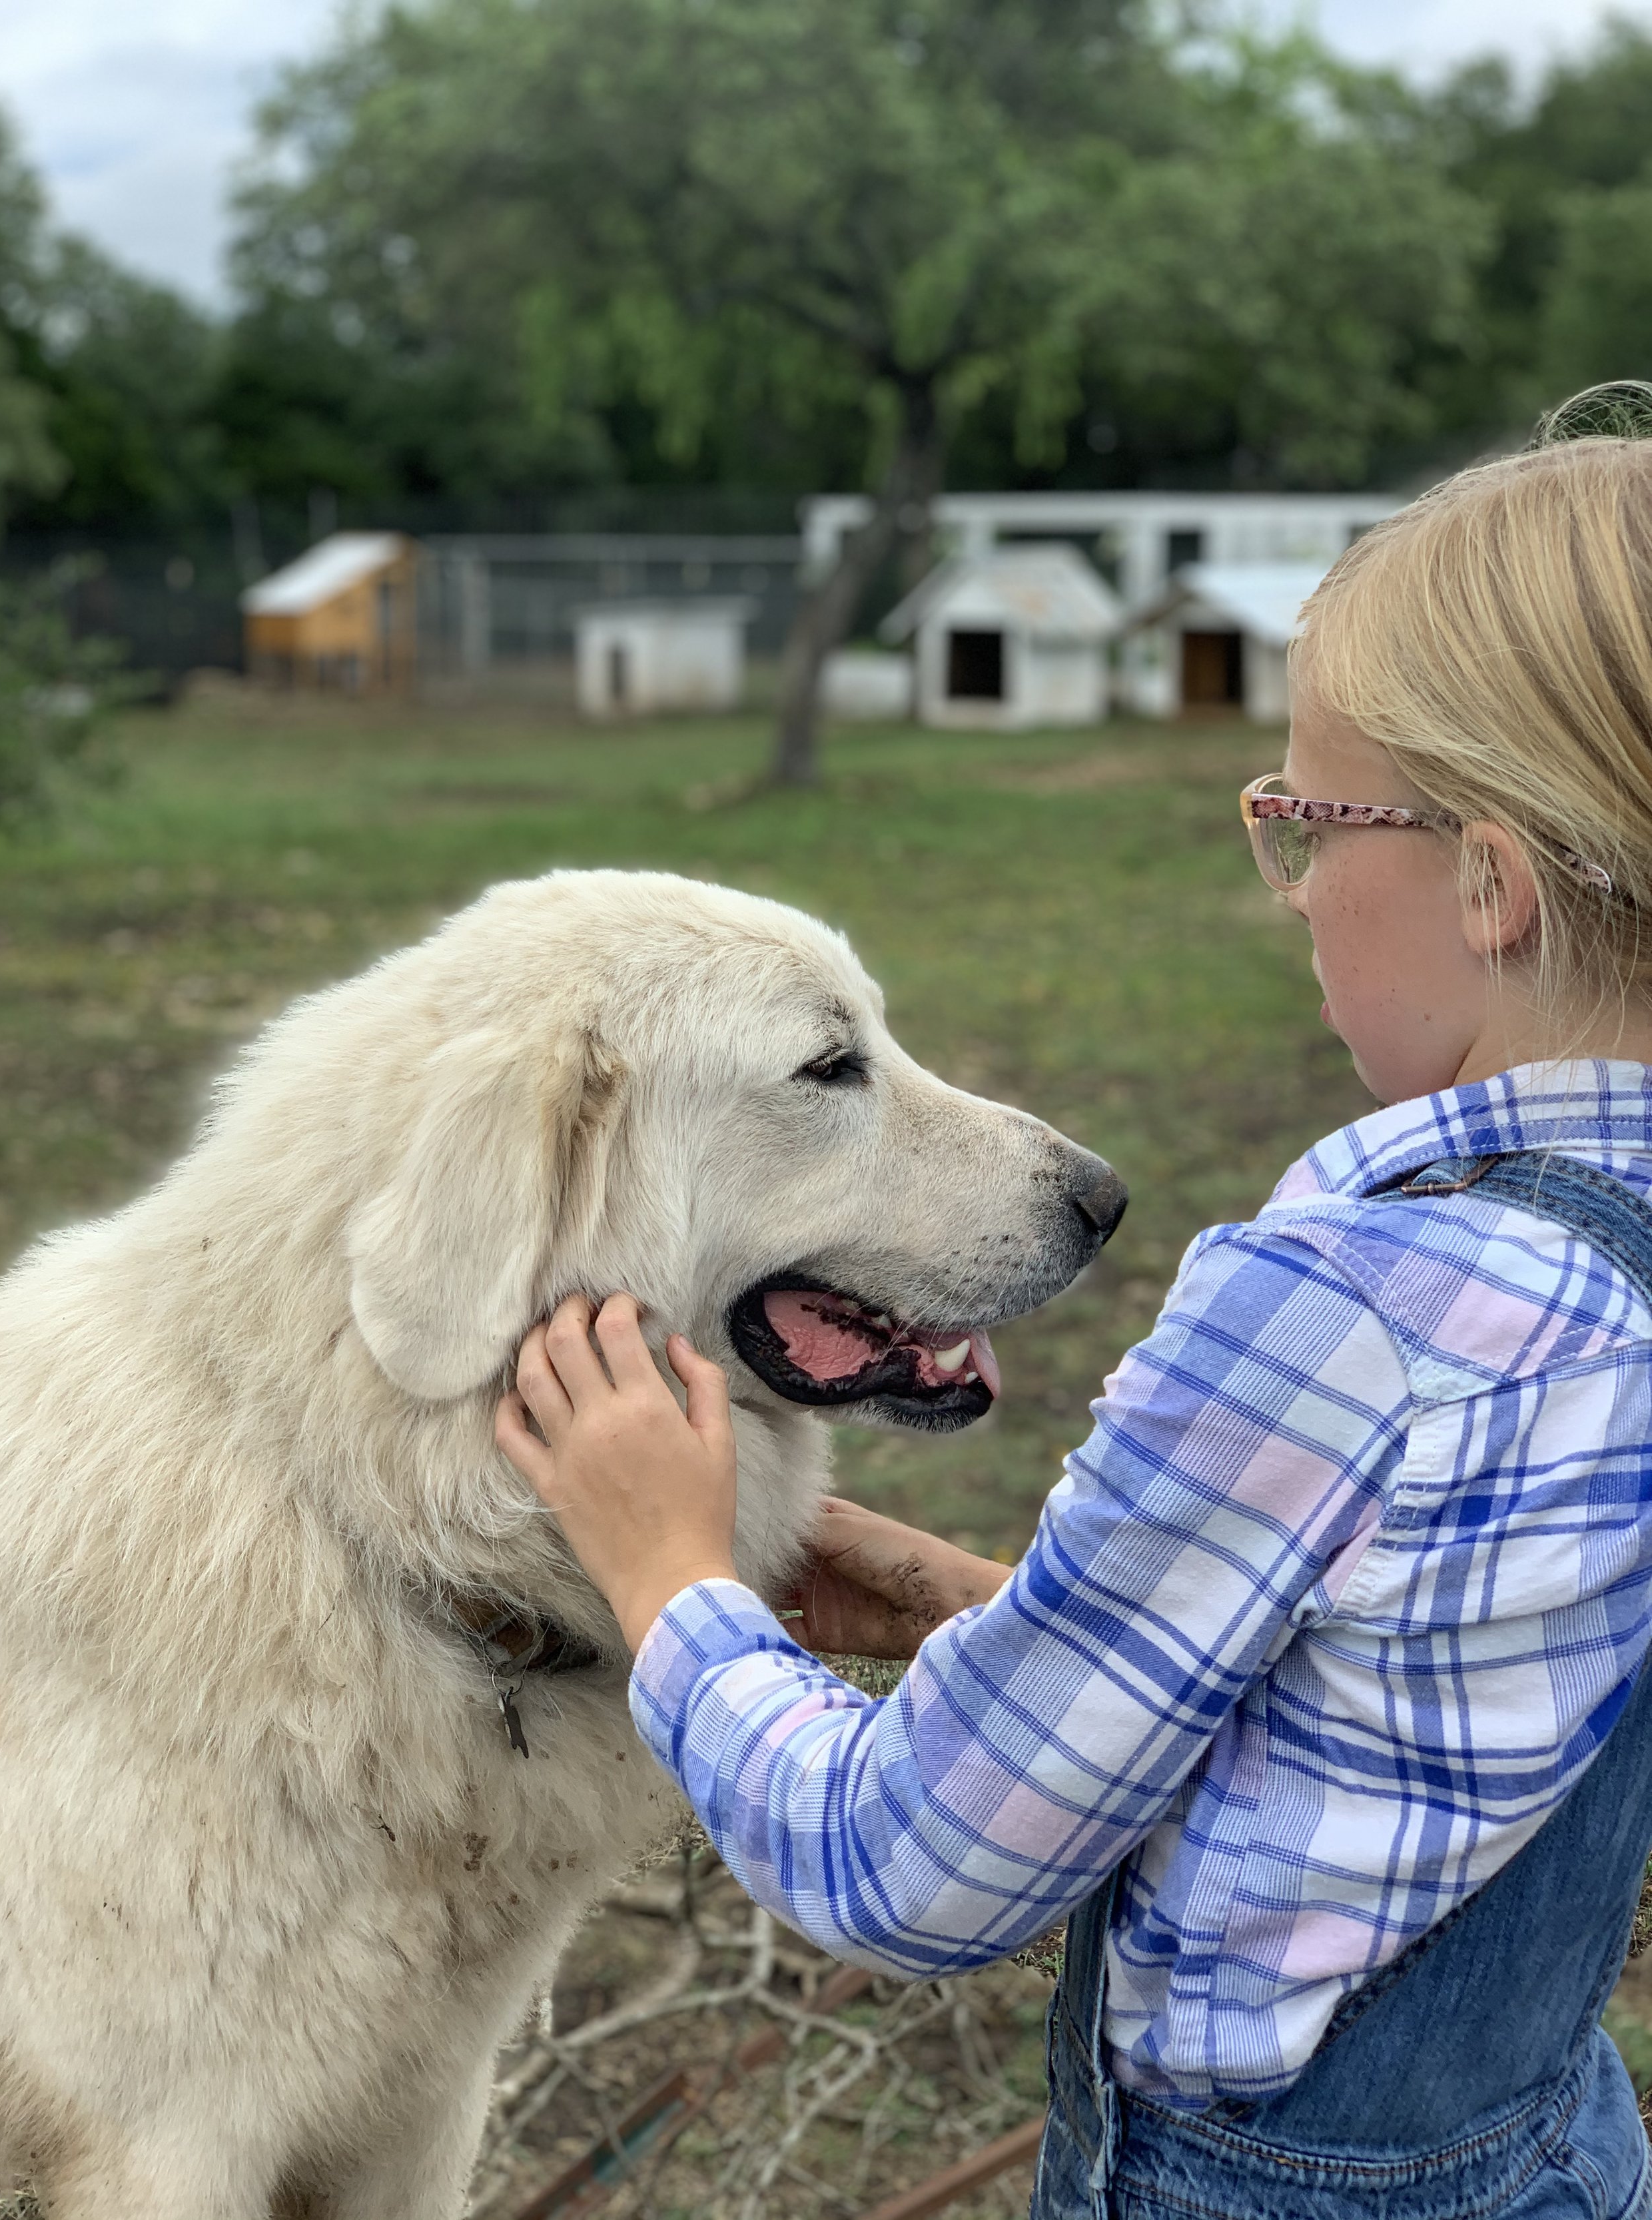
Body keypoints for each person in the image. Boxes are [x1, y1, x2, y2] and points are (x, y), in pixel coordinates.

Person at [496, 391, 1652, 2218]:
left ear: (1490, 882)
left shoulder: (1346, 1318)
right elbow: (1442, 1697)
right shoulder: (1596, 1279)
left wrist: (668, 1582)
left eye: (1303, 820)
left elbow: (906, 1874)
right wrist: (996, 1615)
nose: (1283, 886)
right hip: (1547, 2156)